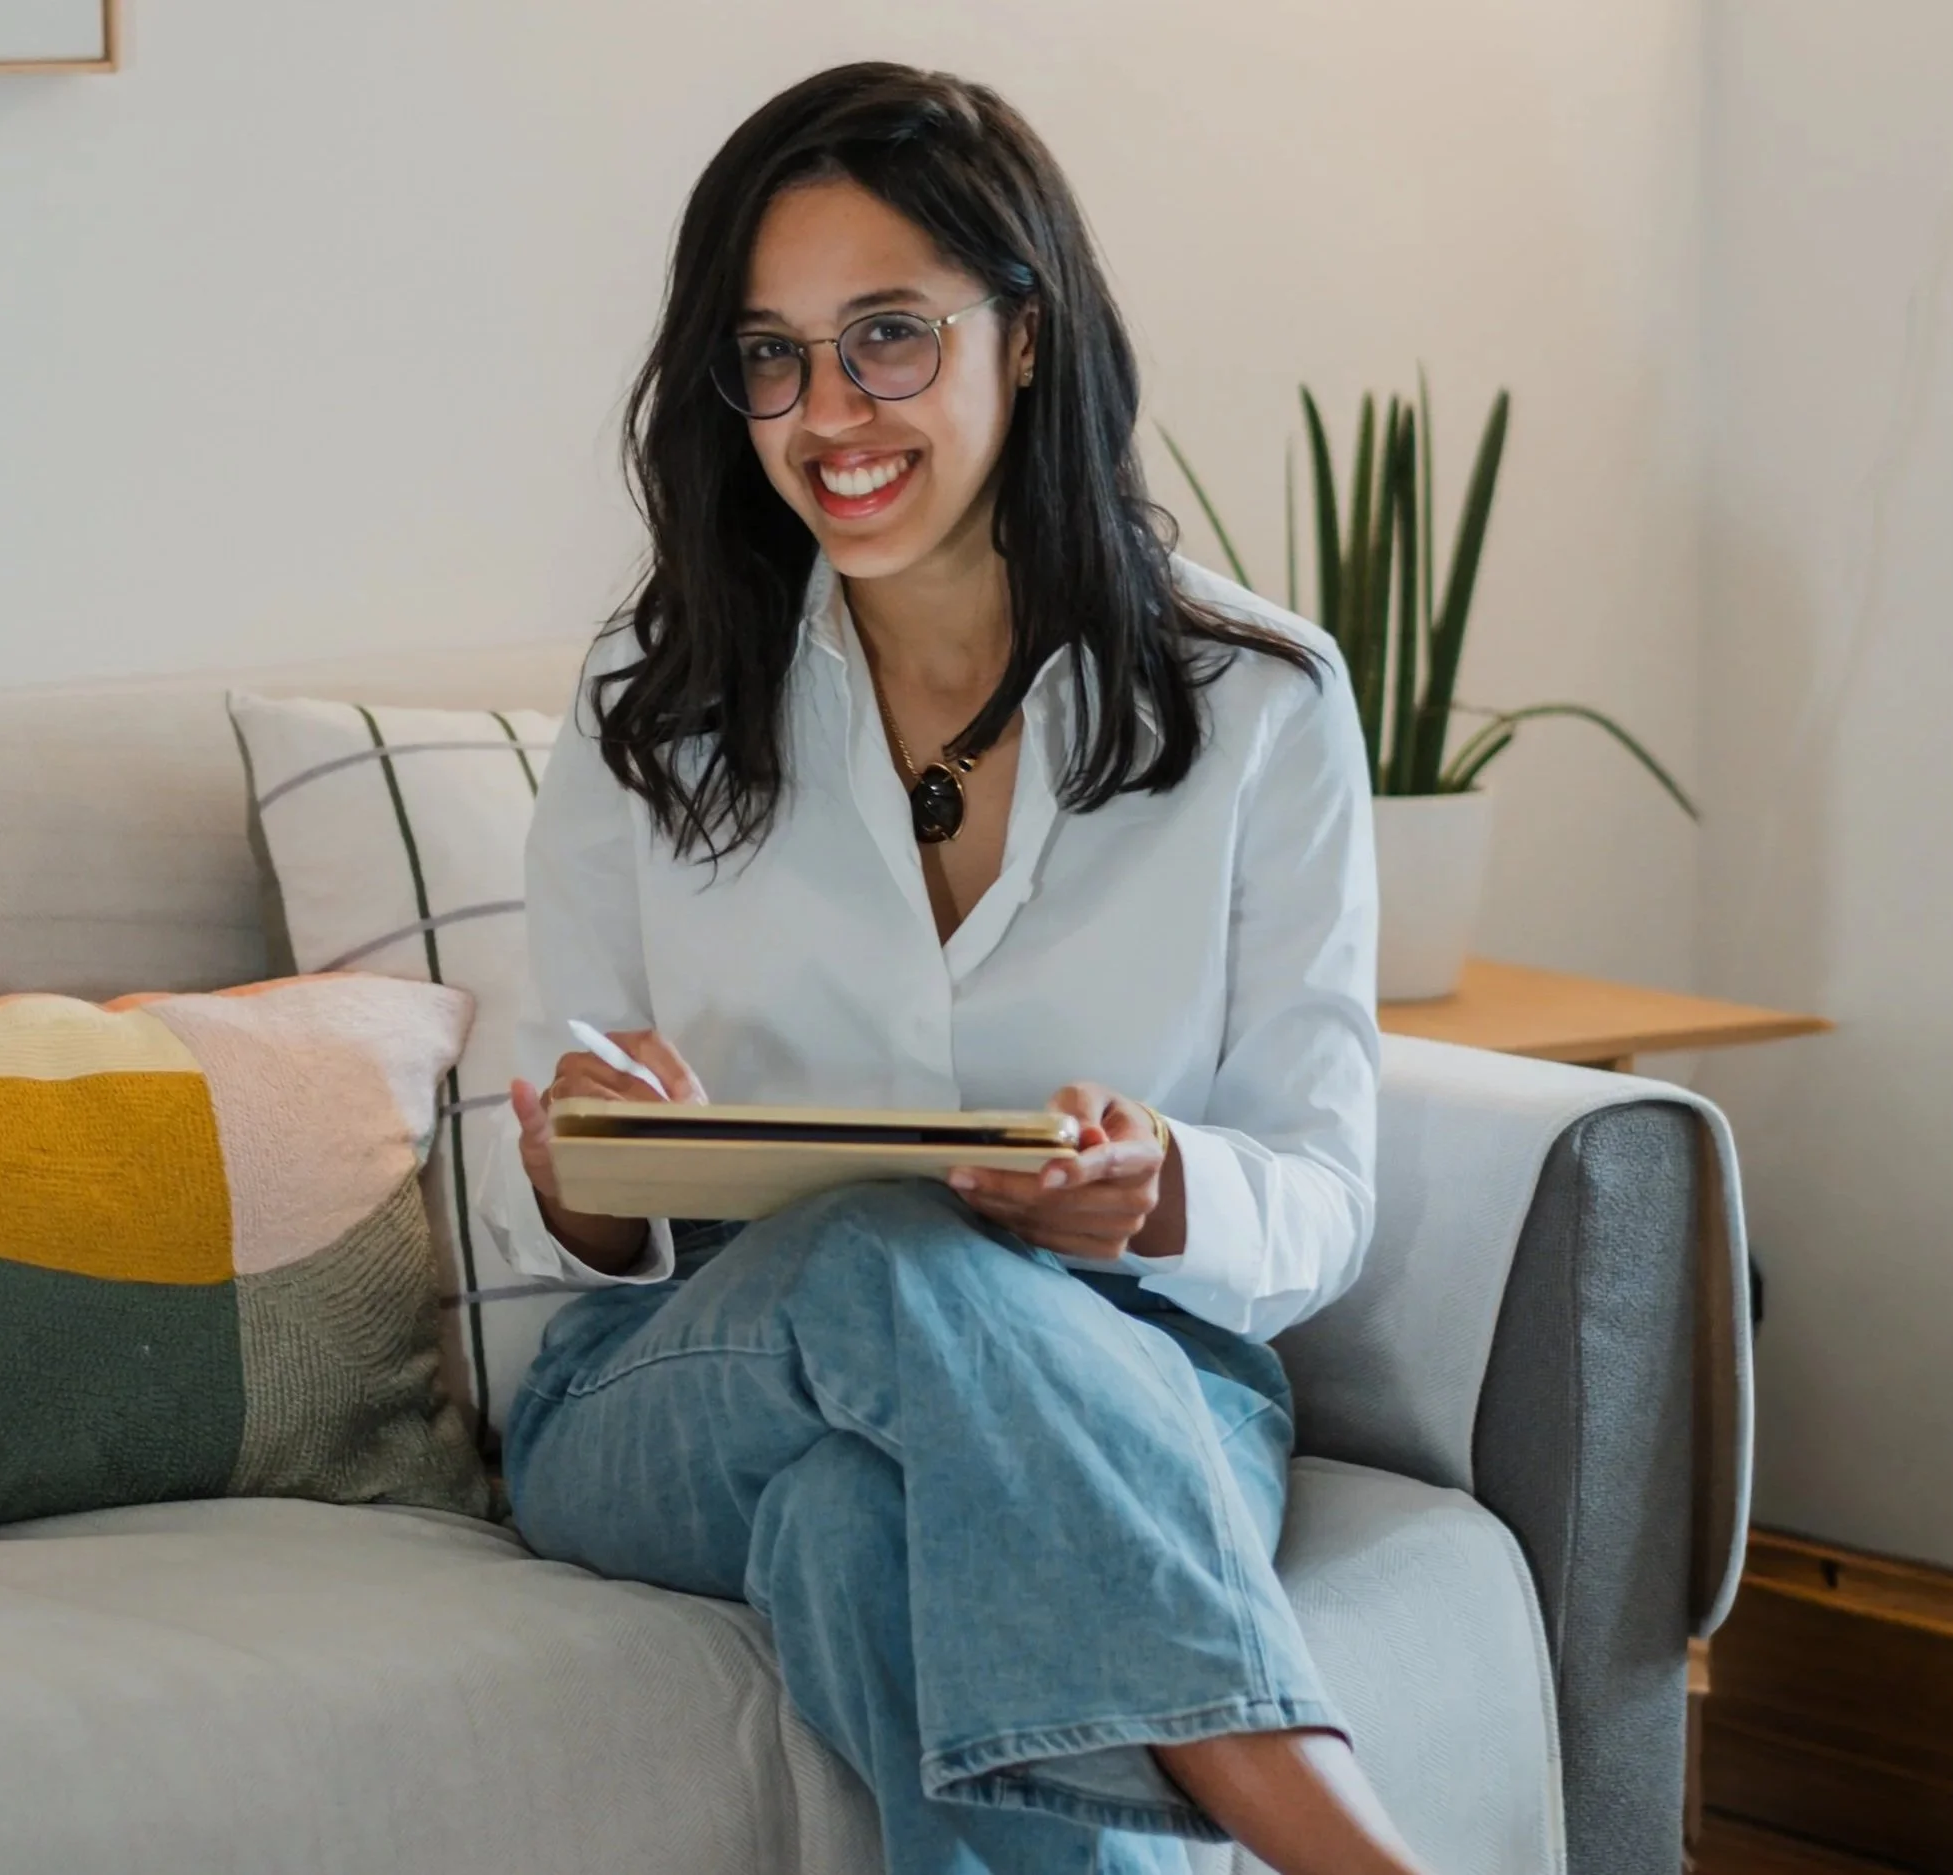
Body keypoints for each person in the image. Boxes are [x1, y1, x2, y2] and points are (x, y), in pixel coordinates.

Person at [478, 61, 1425, 1875]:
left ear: (1030, 336)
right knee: (877, 1242)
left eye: (888, 337)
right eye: (772, 355)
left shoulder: (1260, 702)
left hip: (1137, 1377)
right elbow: (557, 1228)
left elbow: (1317, 1198)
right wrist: (582, 1161)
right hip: (673, 1393)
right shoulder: (650, 705)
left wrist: (1156, 1197)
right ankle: (1345, 1838)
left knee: (863, 1528)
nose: (826, 410)